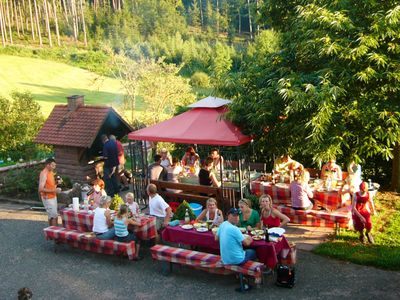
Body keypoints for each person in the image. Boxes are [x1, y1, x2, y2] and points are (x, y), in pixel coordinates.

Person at [38, 158, 61, 226]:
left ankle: (52, 232)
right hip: (48, 198)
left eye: (55, 165)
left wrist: (57, 183)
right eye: (53, 165)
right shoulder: (44, 174)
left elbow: (50, 185)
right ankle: (54, 234)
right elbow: (40, 189)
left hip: (53, 196)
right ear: (48, 165)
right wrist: (55, 190)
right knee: (53, 216)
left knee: (53, 216)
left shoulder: (50, 172)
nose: (54, 167)